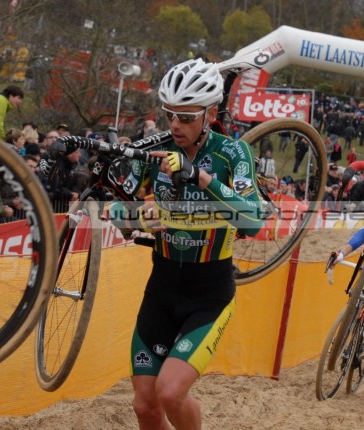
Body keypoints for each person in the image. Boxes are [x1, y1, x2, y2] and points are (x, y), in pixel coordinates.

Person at [108, 58, 264, 430]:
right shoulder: (155, 150)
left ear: (209, 113)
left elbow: (254, 220)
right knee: (145, 405)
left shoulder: (232, 153)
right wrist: (136, 218)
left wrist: (201, 178)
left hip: (208, 293)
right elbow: (116, 211)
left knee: (171, 393)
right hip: (161, 287)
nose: (175, 125)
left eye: (186, 116)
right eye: (169, 115)